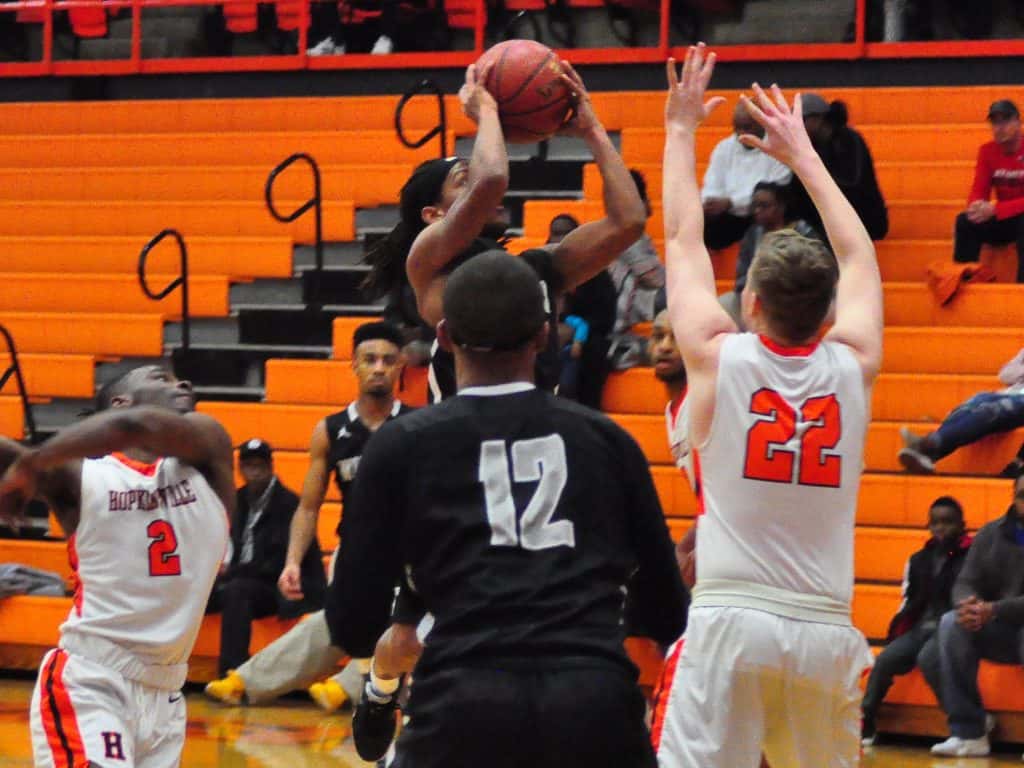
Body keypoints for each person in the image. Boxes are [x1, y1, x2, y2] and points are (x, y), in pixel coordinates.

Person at [348, 60, 647, 747]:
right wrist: (486, 106)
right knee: (408, 634)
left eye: (467, 169)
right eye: (455, 180)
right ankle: (382, 687)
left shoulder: (531, 271)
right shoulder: (431, 267)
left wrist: (591, 128)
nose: (474, 177)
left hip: (543, 463)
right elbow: (490, 181)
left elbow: (629, 219)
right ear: (434, 215)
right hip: (459, 469)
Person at [326, 250, 687, 767]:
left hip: (461, 706)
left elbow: (353, 625)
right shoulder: (608, 440)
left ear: (444, 336)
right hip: (594, 705)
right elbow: (667, 611)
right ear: (543, 335)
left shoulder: (402, 444)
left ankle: (380, 697)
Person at [654, 45, 883, 768]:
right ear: (828, 313)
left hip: (731, 618)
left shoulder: (716, 356)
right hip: (825, 627)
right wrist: (804, 156)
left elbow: (683, 238)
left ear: (749, 301)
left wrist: (680, 130)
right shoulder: (854, 364)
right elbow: (860, 258)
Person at [0, 364, 234, 768]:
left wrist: (33, 462)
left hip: (166, 695)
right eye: (161, 378)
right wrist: (25, 464)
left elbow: (136, 425)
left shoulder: (209, 448)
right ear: (119, 402)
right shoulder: (83, 478)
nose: (183, 383)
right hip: (91, 680)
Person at [204, 321, 414, 710]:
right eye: (370, 359)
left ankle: (347, 687)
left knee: (406, 616)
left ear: (401, 365)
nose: (379, 368)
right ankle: (246, 681)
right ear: (354, 365)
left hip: (408, 551)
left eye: (388, 360)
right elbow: (308, 506)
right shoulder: (330, 430)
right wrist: (292, 561)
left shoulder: (418, 425)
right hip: (355, 551)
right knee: (334, 619)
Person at [206, 439, 325, 678]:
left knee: (237, 591)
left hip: (281, 587)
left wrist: (231, 573)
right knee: (191, 587)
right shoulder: (236, 500)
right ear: (240, 469)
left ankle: (232, 674)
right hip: (242, 579)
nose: (255, 472)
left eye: (260, 465)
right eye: (249, 465)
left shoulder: (288, 504)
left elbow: (275, 565)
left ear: (271, 466)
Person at [860, 496, 970, 746]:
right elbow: (908, 598)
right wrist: (899, 630)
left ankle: (967, 720)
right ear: (928, 526)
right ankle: (867, 720)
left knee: (927, 657)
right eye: (935, 523)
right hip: (921, 626)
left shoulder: (970, 556)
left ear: (962, 525)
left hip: (951, 626)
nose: (941, 528)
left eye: (948, 522)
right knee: (885, 660)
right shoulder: (918, 559)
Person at [929, 473, 1024, 757]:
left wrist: (992, 609)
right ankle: (969, 732)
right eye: (1023, 495)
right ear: (1013, 498)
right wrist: (968, 606)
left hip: (1008, 619)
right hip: (1000, 628)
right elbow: (965, 581)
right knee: (951, 623)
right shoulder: (990, 534)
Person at [897, 345, 1024, 474]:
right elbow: (1005, 375)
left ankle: (926, 445)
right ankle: (926, 452)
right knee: (969, 405)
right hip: (1008, 393)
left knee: (989, 411)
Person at [720, 180, 823, 329]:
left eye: (764, 205)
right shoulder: (752, 235)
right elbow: (742, 277)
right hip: (758, 297)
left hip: (796, 299)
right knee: (724, 304)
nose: (757, 210)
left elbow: (816, 275)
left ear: (781, 207)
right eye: (755, 205)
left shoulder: (805, 233)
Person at [789, 93, 889, 242]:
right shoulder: (809, 145)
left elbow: (851, 182)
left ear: (818, 119)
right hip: (829, 220)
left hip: (863, 218)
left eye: (800, 121)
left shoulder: (850, 140)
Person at [700, 100, 793, 250]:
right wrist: (713, 203)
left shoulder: (778, 146)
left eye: (747, 127)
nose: (741, 133)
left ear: (761, 123)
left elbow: (778, 189)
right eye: (737, 128)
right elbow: (711, 185)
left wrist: (732, 203)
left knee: (765, 207)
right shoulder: (724, 148)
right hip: (728, 217)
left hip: (761, 214)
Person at [951, 100, 1024, 283]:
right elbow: (978, 190)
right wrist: (976, 206)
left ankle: (1021, 290)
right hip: (1005, 218)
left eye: (1005, 120)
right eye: (995, 122)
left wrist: (996, 209)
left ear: (1018, 122)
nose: (1000, 127)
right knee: (965, 222)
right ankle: (964, 281)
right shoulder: (987, 151)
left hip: (1016, 216)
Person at [608, 170, 667, 371]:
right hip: (613, 328)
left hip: (621, 314)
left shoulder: (622, 231)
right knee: (676, 293)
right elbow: (655, 278)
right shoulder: (626, 235)